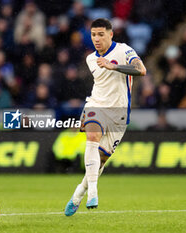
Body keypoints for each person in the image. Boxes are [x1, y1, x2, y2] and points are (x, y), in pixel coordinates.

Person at [64, 18, 146, 216]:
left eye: (101, 34)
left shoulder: (124, 51)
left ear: (111, 34)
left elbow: (141, 70)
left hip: (119, 114)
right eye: (93, 35)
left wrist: (113, 66)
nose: (97, 39)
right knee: (92, 137)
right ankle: (93, 191)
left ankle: (79, 192)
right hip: (96, 105)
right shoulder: (90, 59)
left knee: (99, 161)